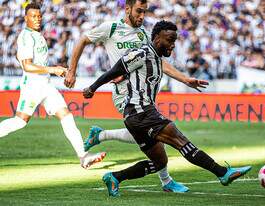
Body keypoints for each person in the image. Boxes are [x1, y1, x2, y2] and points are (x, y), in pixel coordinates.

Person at [83, 20, 252, 197]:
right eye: (169, 40)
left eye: (174, 41)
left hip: (137, 115)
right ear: (156, 38)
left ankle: (115, 177)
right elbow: (115, 70)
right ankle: (222, 173)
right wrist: (92, 88)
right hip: (140, 111)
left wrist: (186, 79)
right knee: (180, 140)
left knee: (159, 162)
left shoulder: (156, 59)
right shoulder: (141, 53)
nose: (172, 45)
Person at [65, 0, 206, 193]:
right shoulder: (111, 28)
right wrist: (72, 71)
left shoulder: (143, 35)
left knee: (148, 136)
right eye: (139, 11)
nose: (142, 16)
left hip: (145, 93)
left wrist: (184, 79)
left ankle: (101, 136)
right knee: (151, 132)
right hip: (124, 94)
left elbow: (157, 60)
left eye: (144, 12)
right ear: (127, 9)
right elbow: (82, 40)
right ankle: (166, 181)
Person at [0, 2, 106, 169]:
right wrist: (53, 69)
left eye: (39, 16)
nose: (37, 19)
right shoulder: (25, 36)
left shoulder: (37, 35)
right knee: (20, 121)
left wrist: (56, 70)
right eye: (33, 17)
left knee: (67, 116)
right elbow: (27, 65)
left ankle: (83, 157)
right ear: (25, 18)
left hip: (46, 85)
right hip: (33, 86)